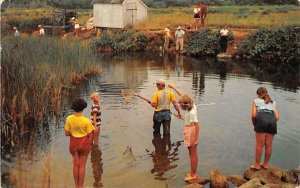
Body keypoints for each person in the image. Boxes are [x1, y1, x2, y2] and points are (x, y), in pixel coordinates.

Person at [168, 84, 200, 181]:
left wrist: (196, 139)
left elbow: (197, 125)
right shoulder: (191, 104)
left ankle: (193, 174)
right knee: (191, 153)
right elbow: (182, 94)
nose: (179, 106)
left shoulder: (192, 113)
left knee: (192, 153)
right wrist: (173, 87)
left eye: (180, 105)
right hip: (189, 128)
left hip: (191, 132)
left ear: (184, 105)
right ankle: (193, 172)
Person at [65, 98, 95, 188]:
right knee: (82, 166)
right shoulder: (86, 121)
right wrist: (91, 143)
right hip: (84, 144)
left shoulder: (69, 118)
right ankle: (81, 186)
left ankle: (76, 186)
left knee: (75, 165)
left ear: (73, 107)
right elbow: (91, 135)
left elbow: (66, 133)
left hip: (73, 143)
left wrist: (74, 134)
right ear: (83, 108)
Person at [251, 87, 279, 170]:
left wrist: (255, 125)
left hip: (261, 121)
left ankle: (257, 165)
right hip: (272, 122)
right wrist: (270, 122)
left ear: (258, 94)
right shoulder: (273, 102)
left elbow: (253, 115)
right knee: (269, 145)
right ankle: (266, 164)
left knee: (259, 145)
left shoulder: (256, 101)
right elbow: (277, 117)